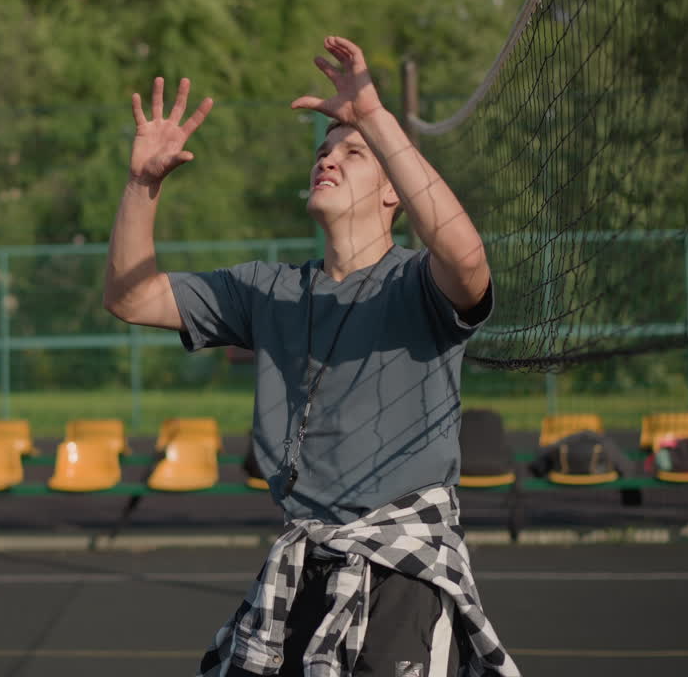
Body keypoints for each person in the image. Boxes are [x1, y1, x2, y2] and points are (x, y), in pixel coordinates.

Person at [103, 36, 518, 676]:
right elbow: (132, 298)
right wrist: (141, 185)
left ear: (393, 196)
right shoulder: (270, 290)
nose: (330, 157)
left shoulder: (418, 284)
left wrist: (374, 118)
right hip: (305, 557)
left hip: (400, 568)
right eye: (324, 150)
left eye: (354, 154)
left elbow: (467, 259)